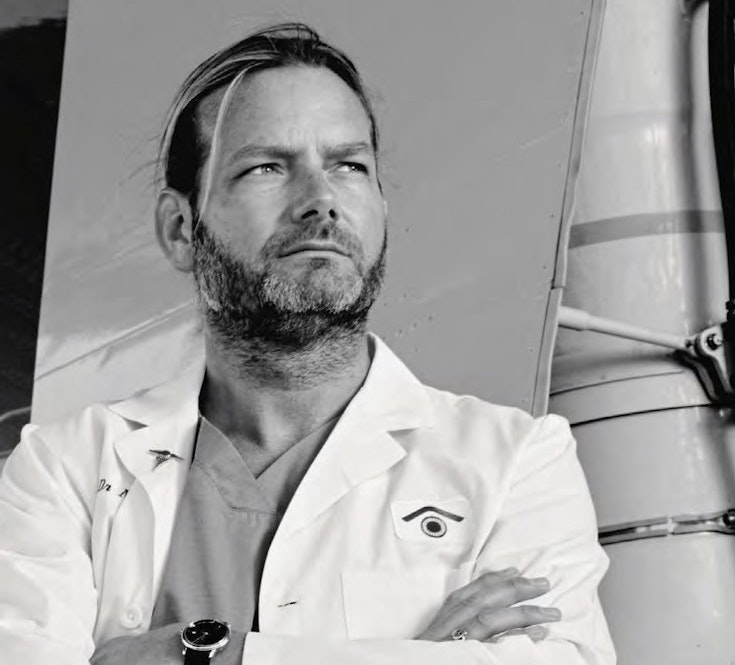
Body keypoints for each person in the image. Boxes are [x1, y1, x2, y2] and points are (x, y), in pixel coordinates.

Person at [0, 23, 615, 665]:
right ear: (181, 229)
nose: (320, 201)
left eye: (349, 166)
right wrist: (421, 655)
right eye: (266, 167)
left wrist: (212, 655)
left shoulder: (516, 462)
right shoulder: (66, 470)